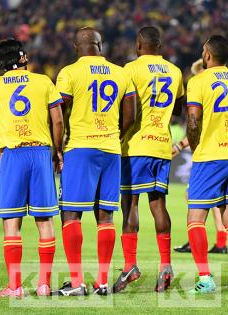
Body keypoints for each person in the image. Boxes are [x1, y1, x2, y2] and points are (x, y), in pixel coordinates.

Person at [53, 27, 136, 296]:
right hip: (111, 149)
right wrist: (115, 136)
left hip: (80, 149)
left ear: (77, 47)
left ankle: (76, 282)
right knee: (106, 215)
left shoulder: (69, 72)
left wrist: (59, 144)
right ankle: (102, 282)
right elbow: (131, 113)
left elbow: (58, 110)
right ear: (100, 45)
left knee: (71, 213)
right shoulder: (121, 72)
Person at [0, 38, 65, 297]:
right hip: (41, 152)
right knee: (44, 220)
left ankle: (15, 286)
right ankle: (43, 285)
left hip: (13, 154)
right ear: (21, 57)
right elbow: (58, 120)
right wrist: (57, 151)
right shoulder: (43, 81)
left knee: (11, 221)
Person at [113, 26, 184, 294]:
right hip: (161, 146)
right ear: (161, 45)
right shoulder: (175, 71)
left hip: (135, 145)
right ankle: (165, 265)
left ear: (139, 44)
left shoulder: (130, 70)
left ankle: (130, 265)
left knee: (130, 203)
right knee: (158, 204)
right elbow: (177, 107)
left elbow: (124, 107)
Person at [185, 35, 228, 295]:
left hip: (210, 156)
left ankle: (205, 279)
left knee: (195, 218)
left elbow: (193, 121)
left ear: (208, 55)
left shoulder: (198, 81)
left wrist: (195, 148)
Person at [172, 59, 228, 256]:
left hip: (209, 155)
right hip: (226, 153)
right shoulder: (222, 92)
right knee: (218, 201)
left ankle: (201, 242)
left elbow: (198, 128)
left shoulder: (204, 97)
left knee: (196, 198)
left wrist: (180, 145)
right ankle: (220, 241)